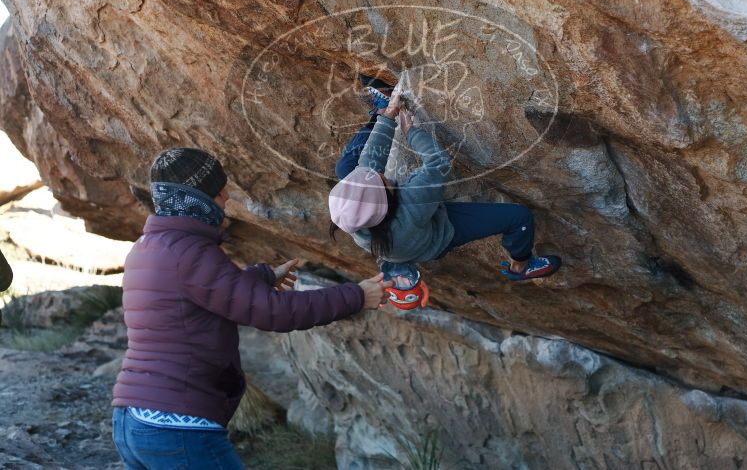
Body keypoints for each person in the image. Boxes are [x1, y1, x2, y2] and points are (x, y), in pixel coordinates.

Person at [111, 147, 392, 470]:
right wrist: (356, 295)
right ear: (196, 199)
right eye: (218, 190)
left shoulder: (147, 249)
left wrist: (262, 277)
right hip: (177, 424)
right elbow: (273, 312)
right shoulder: (192, 254)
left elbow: (203, 293)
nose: (227, 195)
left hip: (131, 420)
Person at [329, 75, 561, 281]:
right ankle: (521, 266)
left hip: (396, 241)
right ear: (387, 200)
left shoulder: (350, 216)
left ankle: (396, 266)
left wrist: (388, 116)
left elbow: (370, 164)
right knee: (518, 217)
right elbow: (438, 164)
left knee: (345, 169)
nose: (377, 172)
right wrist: (412, 132)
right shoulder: (414, 202)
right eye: (380, 179)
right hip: (436, 236)